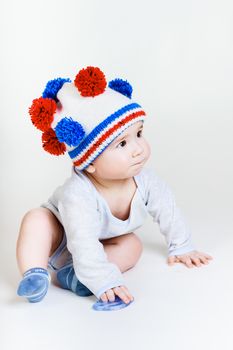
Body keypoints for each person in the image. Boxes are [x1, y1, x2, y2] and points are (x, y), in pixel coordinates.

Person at [16, 66, 213, 305]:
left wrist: (181, 246)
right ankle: (34, 273)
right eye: (122, 144)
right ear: (89, 164)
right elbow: (81, 240)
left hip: (97, 244)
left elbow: (168, 211)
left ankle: (74, 276)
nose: (138, 149)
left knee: (132, 246)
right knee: (36, 219)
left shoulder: (146, 181)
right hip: (60, 238)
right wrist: (103, 280)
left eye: (139, 134)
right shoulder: (77, 194)